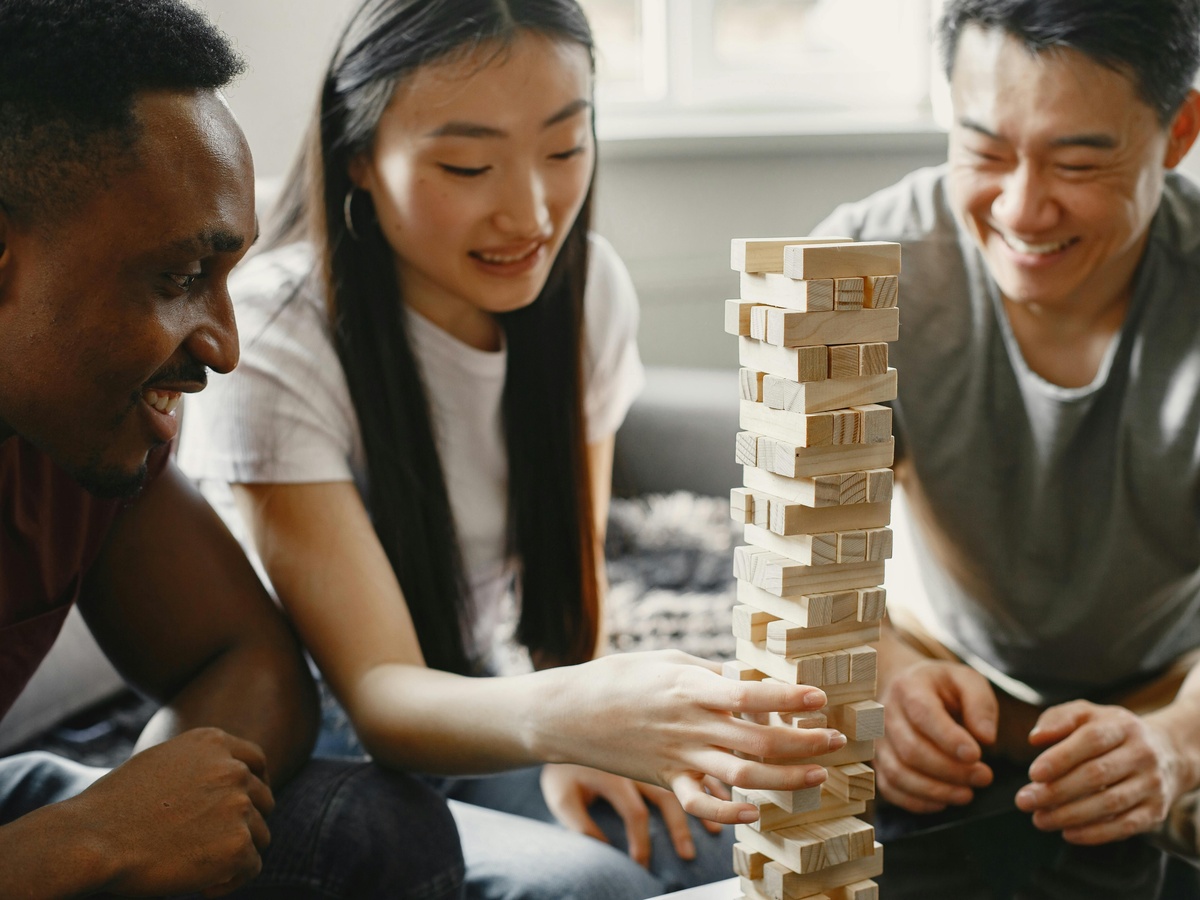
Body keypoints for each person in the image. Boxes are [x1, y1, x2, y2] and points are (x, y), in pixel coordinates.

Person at [179, 0, 848, 896]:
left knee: (742, 844)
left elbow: (568, 598)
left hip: (485, 694)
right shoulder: (276, 333)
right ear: (359, 158)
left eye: (566, 149)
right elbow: (379, 693)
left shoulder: (588, 290)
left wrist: (589, 722)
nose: (530, 212)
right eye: (467, 164)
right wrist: (572, 717)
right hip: (311, 734)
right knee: (593, 885)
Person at [0, 1, 464, 897]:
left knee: (371, 830)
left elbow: (241, 658)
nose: (223, 345)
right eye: (179, 279)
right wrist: (91, 841)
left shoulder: (79, 444)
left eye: (225, 279)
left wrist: (151, 804)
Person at [814, 0, 1200, 848]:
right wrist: (886, 673)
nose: (1022, 211)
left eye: (1077, 164)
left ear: (1180, 132)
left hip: (1175, 686)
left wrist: (1175, 744)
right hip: (945, 670)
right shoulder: (855, 271)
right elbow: (807, 568)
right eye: (984, 151)